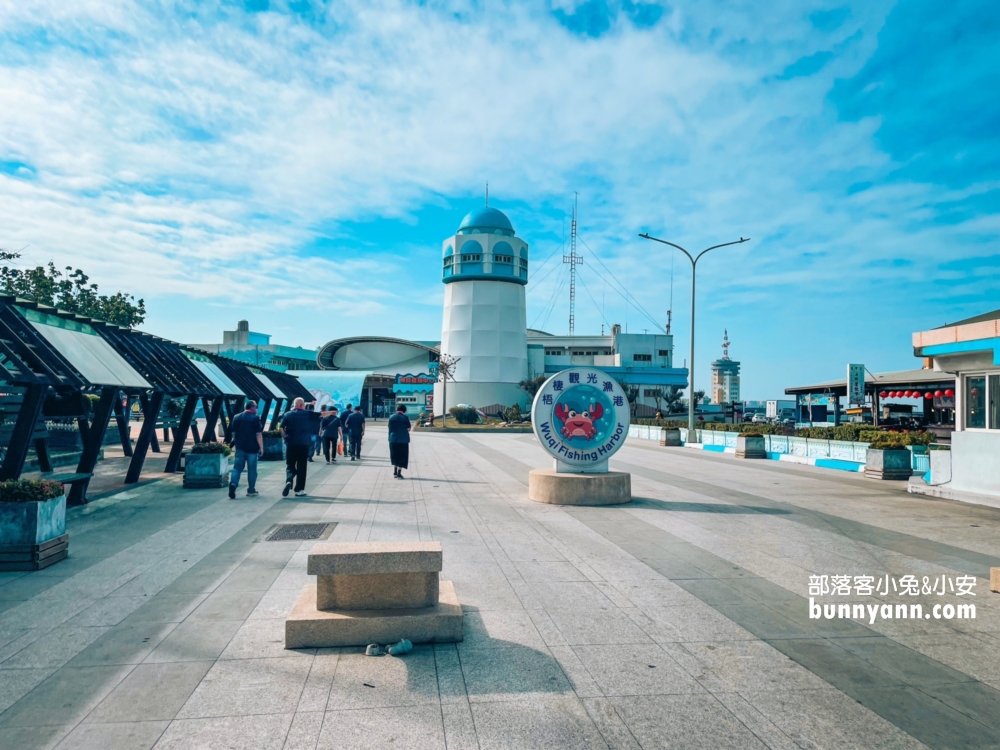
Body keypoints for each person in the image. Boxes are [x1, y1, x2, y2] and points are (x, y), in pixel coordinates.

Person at [229, 399, 263, 498]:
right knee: (252, 470)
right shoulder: (256, 419)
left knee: (237, 468)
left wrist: (237, 442)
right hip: (252, 449)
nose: (257, 409)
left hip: (240, 447)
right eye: (256, 407)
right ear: (252, 407)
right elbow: (258, 434)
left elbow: (234, 433)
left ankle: (233, 484)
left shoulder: (236, 417)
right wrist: (261, 447)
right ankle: (251, 490)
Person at [280, 397, 313, 497]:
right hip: (303, 444)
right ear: (301, 405)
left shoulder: (287, 414)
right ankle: (299, 489)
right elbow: (321, 415)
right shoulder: (307, 414)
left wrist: (285, 437)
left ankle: (289, 480)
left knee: (290, 464)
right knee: (302, 467)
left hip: (291, 444)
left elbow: (281, 428)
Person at [387, 404, 411, 479]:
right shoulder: (405, 417)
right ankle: (399, 473)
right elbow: (409, 428)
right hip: (403, 440)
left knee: (395, 455)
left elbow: (389, 428)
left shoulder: (391, 417)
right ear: (404, 410)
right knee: (402, 456)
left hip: (393, 439)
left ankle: (394, 471)